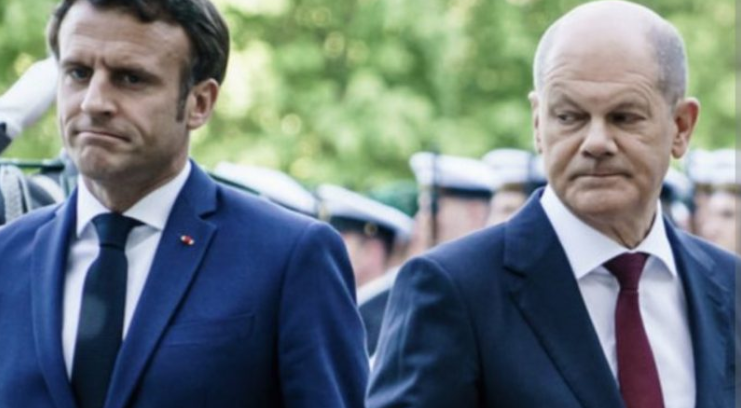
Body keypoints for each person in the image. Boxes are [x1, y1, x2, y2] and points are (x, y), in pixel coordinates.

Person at [367, 2, 736, 408]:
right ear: (538, 123)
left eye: (624, 117)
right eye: (569, 117)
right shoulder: (457, 290)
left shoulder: (729, 286)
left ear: (681, 127)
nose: (596, 142)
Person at [0, 1, 368, 407]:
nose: (93, 102)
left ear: (199, 103)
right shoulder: (8, 256)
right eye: (78, 73)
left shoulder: (287, 257)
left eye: (131, 78)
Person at [316, 184, 413, 355]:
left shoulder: (383, 320)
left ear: (372, 251)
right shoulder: (364, 310)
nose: (325, 252)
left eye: (338, 242)